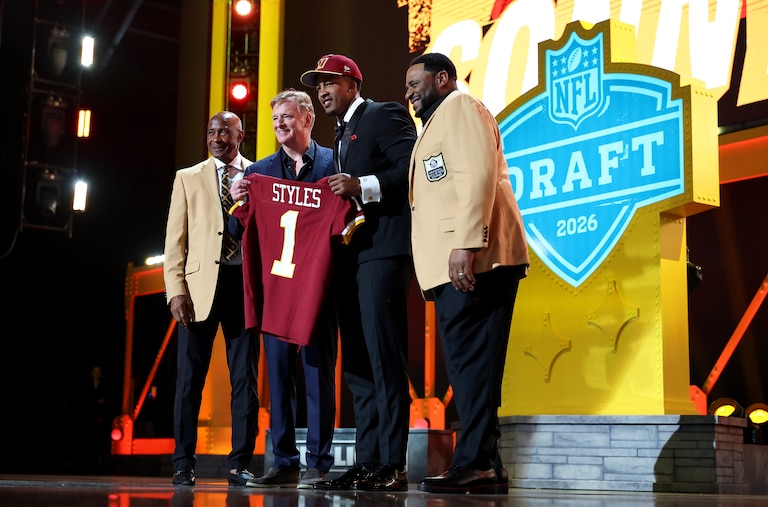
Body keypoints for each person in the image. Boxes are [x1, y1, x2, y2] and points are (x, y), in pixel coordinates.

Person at [404, 52, 530, 495]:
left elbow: (477, 175)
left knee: (473, 365)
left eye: (415, 83)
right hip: (459, 263)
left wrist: (466, 242)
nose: (409, 93)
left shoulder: (460, 107)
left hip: (475, 259)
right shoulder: (437, 123)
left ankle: (474, 462)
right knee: (471, 367)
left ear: (443, 78)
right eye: (406, 87)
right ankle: (487, 464)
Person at [299, 54, 417, 492]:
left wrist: (360, 184)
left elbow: (410, 169)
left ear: (352, 84)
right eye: (318, 85)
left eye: (330, 82)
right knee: (359, 366)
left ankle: (393, 464)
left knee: (385, 358)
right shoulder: (341, 134)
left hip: (385, 253)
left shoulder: (383, 113)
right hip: (355, 259)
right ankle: (368, 461)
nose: (323, 90)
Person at [228, 89, 338, 489]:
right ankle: (284, 461)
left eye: (287, 118)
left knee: (317, 377)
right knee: (278, 379)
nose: (280, 126)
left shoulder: (334, 164)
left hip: (318, 292)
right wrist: (238, 202)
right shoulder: (258, 173)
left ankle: (319, 463)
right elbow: (239, 229)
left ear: (308, 118)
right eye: (276, 120)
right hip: (277, 291)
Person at [163, 110, 260, 487]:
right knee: (189, 382)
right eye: (211, 131)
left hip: (242, 287)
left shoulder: (257, 174)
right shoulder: (187, 178)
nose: (217, 137)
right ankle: (183, 463)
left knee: (244, 381)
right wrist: (176, 291)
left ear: (241, 135)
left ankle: (239, 463)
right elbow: (175, 241)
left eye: (225, 131)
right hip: (199, 291)